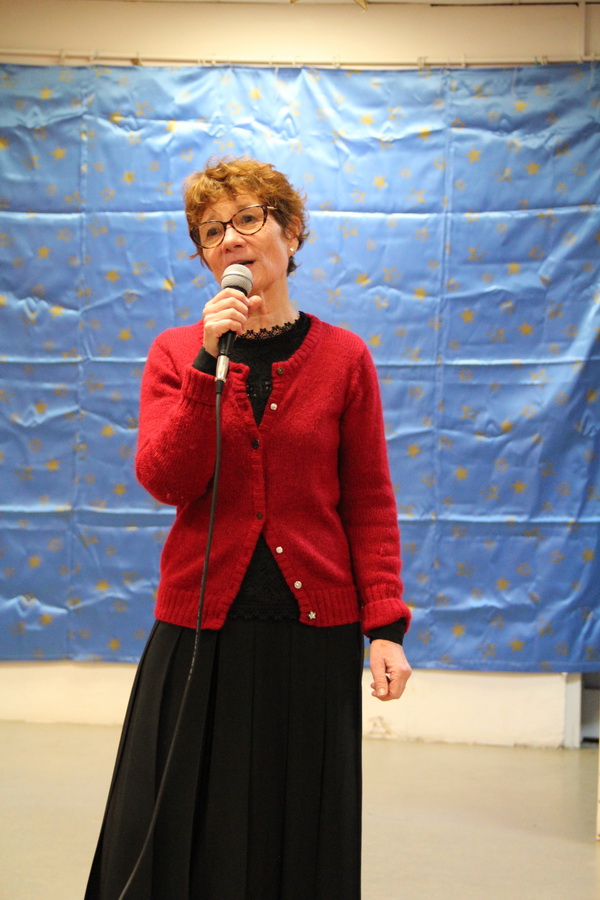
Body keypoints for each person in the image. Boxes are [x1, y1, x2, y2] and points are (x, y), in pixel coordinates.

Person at [85, 157, 412, 900]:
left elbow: (369, 501)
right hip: (199, 627)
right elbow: (166, 478)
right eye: (210, 230)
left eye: (247, 219)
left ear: (291, 234)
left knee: (294, 832)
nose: (229, 238)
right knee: (173, 826)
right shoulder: (178, 353)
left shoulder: (345, 358)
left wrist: (386, 627)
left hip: (313, 637)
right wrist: (208, 364)